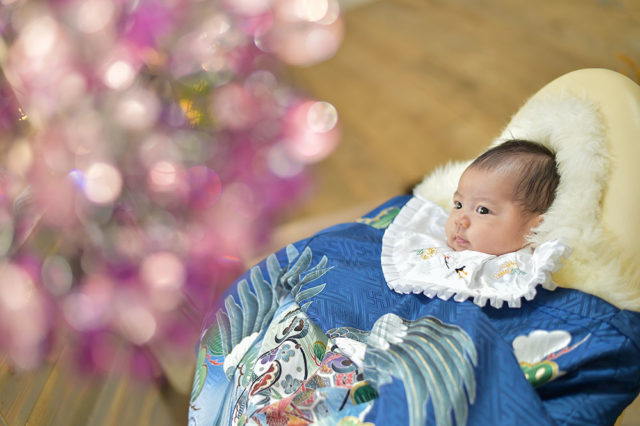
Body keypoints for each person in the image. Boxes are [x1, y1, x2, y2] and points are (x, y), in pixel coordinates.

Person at [445, 139, 560, 255]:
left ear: (535, 228)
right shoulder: (433, 234)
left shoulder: (522, 268)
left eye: (482, 210)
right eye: (458, 205)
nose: (459, 220)